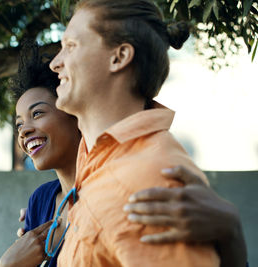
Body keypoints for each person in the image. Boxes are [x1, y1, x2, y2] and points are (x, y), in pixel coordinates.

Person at [0, 41, 247, 267]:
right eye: (19, 124)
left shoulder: (130, 184)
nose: (24, 130)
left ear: (74, 112)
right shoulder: (40, 201)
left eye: (38, 113)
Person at [48, 0, 246, 266]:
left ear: (118, 57)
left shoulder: (150, 177)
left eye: (70, 46)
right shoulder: (92, 162)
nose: (55, 63)